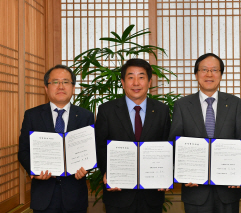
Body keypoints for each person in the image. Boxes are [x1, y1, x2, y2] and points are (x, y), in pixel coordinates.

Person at [168, 53, 241, 213]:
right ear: (196, 74)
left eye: (214, 70)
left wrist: (238, 172)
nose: (209, 74)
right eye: (204, 70)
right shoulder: (182, 105)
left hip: (228, 188)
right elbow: (175, 143)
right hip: (195, 189)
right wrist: (183, 173)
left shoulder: (234, 103)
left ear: (221, 74)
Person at [95, 58, 171, 213]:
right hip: (118, 192)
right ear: (122, 82)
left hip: (152, 193)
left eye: (141, 77)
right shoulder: (106, 110)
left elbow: (167, 144)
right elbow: (100, 145)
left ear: (149, 82)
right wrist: (107, 172)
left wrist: (166, 174)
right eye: (131, 77)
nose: (136, 83)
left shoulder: (162, 110)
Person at [18, 65, 94, 213]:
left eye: (66, 82)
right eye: (55, 82)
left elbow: (91, 150)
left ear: (73, 87)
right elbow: (23, 151)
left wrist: (86, 168)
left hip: (75, 196)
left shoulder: (86, 116)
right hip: (43, 196)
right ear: (46, 88)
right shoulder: (32, 115)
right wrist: (34, 171)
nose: (60, 86)